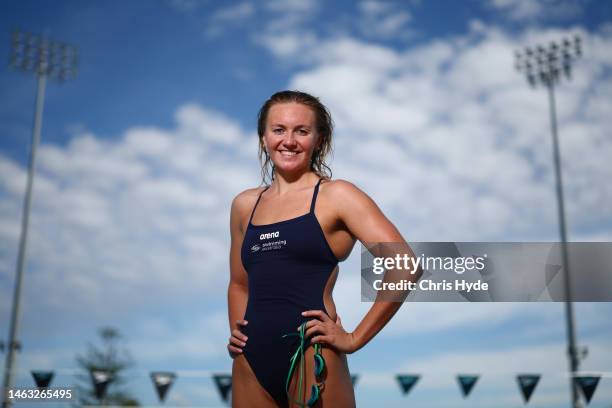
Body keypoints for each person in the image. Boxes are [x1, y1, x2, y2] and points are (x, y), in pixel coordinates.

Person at [227, 90, 419, 407]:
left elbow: (405, 265)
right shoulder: (244, 205)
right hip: (250, 361)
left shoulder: (337, 196)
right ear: (264, 137)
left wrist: (355, 338)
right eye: (278, 130)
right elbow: (239, 283)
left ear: (320, 140)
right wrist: (238, 334)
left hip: (311, 351)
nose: (288, 141)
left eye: (301, 131)